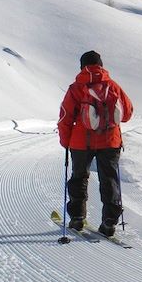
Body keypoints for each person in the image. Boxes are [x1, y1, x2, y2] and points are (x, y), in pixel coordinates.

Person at [58, 50, 134, 237]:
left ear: (82, 66)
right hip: (110, 140)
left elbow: (65, 118)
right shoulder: (112, 85)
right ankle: (109, 222)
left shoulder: (76, 87)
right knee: (109, 179)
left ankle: (77, 219)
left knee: (79, 177)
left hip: (81, 143)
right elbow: (128, 113)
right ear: (101, 64)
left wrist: (66, 142)